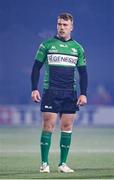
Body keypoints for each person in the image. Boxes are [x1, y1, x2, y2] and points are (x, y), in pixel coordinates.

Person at [31, 12, 88, 173]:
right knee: (48, 125)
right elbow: (36, 67)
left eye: (65, 25)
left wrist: (83, 93)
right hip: (51, 91)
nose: (61, 27)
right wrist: (34, 88)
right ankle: (44, 164)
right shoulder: (47, 45)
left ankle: (63, 164)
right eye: (59, 24)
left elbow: (83, 72)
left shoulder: (77, 48)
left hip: (70, 92)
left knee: (67, 126)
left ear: (71, 27)